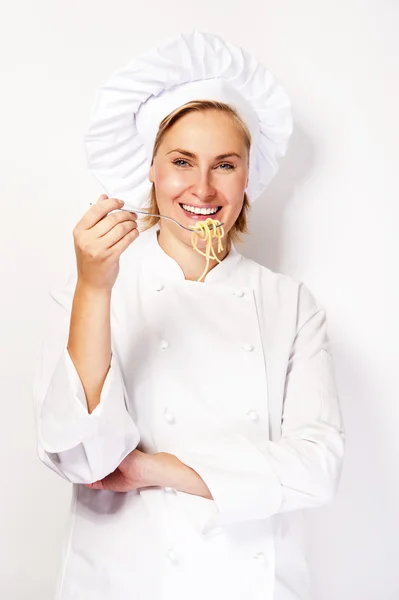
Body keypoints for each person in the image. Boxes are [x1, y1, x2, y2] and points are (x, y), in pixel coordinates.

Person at [33, 31, 345, 600]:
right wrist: (96, 287)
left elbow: (318, 466)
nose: (202, 188)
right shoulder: (92, 288)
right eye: (182, 162)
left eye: (224, 165)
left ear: (248, 176)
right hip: (123, 580)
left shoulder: (287, 303)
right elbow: (81, 457)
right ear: (150, 169)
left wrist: (156, 469)